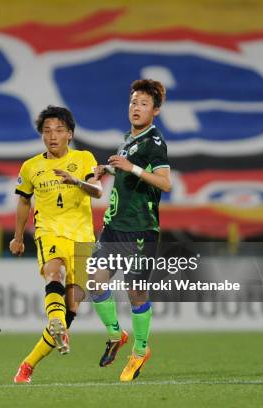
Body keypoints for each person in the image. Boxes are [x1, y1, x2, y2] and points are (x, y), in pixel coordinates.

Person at [10, 105, 102, 384]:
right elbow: (24, 200)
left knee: (71, 308)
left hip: (83, 238)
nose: (53, 136)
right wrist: (17, 236)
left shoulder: (84, 158)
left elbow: (97, 191)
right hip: (49, 233)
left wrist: (76, 181)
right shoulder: (31, 167)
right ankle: (56, 322)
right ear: (41, 136)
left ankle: (27, 364)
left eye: (59, 130)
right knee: (54, 273)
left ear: (70, 134)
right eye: (47, 131)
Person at [91, 79, 172, 382]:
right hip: (114, 226)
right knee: (95, 282)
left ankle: (140, 351)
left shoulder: (155, 142)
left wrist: (132, 168)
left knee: (136, 293)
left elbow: (165, 183)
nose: (136, 108)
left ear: (156, 110)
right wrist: (107, 169)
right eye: (133, 102)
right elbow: (124, 168)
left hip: (141, 229)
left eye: (143, 104)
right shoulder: (129, 139)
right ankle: (116, 334)